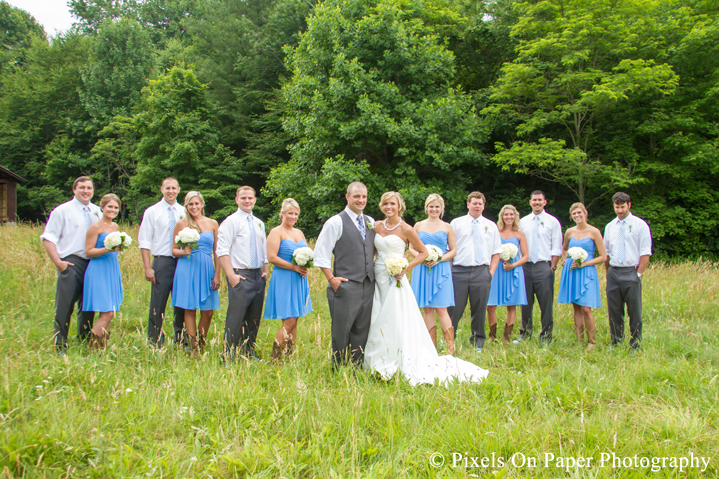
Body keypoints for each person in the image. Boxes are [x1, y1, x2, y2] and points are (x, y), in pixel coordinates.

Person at [364, 191, 489, 385]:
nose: (389, 207)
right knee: (377, 314)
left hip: (396, 278)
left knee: (396, 316)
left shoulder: (407, 228)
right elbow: (371, 251)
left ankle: (403, 355)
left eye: (393, 204)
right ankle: (376, 355)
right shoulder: (377, 226)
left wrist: (405, 268)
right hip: (378, 276)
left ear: (400, 207)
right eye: (386, 204)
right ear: (381, 205)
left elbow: (422, 252)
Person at [314, 182, 376, 367]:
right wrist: (332, 279)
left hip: (368, 283)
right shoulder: (335, 222)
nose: (361, 200)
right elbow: (321, 253)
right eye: (357, 196)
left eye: (364, 197)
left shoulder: (370, 221)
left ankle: (357, 366)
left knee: (362, 328)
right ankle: (339, 368)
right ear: (347, 197)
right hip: (345, 284)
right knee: (342, 329)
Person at [40, 176, 100, 352]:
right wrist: (58, 262)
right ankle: (60, 343)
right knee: (65, 304)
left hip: (93, 262)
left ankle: (84, 338)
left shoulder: (97, 211)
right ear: (74, 190)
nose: (86, 191)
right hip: (71, 261)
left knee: (88, 304)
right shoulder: (62, 211)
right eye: (82, 187)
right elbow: (48, 238)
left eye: (89, 188)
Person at [217, 186, 269, 361]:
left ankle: (248, 352)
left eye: (250, 198)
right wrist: (230, 275)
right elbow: (222, 250)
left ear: (254, 200)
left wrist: (265, 269)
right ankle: (228, 355)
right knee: (236, 316)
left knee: (254, 317)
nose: (247, 201)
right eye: (243, 198)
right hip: (240, 274)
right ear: (236, 200)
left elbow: (263, 248)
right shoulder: (231, 222)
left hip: (257, 275)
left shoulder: (259, 223)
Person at [448, 192, 501, 352]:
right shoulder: (456, 223)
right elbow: (450, 248)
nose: (477, 206)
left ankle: (478, 341)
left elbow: (496, 251)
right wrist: (451, 270)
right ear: (468, 204)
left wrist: (490, 272)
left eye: (480, 203)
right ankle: (450, 339)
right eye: (474, 203)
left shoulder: (491, 225)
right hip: (459, 271)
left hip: (482, 271)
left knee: (479, 308)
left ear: (484, 205)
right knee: (455, 308)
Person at [171, 191, 221, 359]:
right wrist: (183, 251)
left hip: (207, 268)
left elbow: (218, 252)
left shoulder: (213, 224)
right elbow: (173, 250)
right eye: (190, 204)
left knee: (208, 312)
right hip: (187, 268)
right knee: (190, 309)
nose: (194, 207)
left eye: (196, 204)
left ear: (202, 204)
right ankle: (194, 349)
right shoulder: (181, 224)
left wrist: (217, 274)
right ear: (186, 205)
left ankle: (201, 340)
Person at [138, 177, 185, 348]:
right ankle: (155, 339)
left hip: (182, 261)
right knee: (158, 303)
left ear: (178, 190)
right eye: (167, 188)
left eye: (174, 188)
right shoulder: (152, 211)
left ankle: (181, 338)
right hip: (162, 261)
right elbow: (144, 241)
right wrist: (147, 267)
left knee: (181, 302)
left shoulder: (184, 211)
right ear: (162, 190)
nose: (171, 191)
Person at [264, 198, 313, 362]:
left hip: (299, 279)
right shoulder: (276, 232)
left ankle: (289, 355)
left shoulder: (299, 233)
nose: (293, 216)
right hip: (284, 278)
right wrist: (294, 268)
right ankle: (275, 358)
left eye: (296, 214)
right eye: (290, 213)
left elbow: (305, 253)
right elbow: (271, 257)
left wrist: (305, 267)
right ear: (282, 213)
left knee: (295, 318)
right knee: (289, 320)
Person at [409, 194, 457, 354]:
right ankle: (432, 348)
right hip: (422, 269)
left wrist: (439, 258)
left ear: (441, 208)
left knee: (442, 309)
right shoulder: (418, 225)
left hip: (441, 269)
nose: (434, 209)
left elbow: (454, 250)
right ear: (426, 207)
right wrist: (421, 258)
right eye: (431, 206)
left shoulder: (447, 227)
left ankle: (451, 347)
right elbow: (411, 248)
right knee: (427, 309)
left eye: (437, 206)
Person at [603, 192, 652, 350]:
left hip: (631, 271)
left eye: (622, 207)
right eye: (617, 207)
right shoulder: (610, 226)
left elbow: (645, 252)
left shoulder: (640, 225)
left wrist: (638, 274)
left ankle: (636, 343)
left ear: (629, 205)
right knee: (614, 310)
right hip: (614, 271)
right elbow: (607, 253)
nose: (620, 210)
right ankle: (616, 342)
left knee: (634, 310)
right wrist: (608, 272)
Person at [515, 190, 563, 346]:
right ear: (530, 202)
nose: (537, 202)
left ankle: (546, 335)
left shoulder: (553, 222)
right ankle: (525, 333)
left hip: (544, 265)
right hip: (526, 266)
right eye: (534, 200)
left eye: (539, 200)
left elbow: (556, 247)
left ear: (545, 202)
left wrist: (553, 267)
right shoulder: (523, 222)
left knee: (546, 303)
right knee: (526, 302)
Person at [558, 202, 607, 351]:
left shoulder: (594, 232)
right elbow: (564, 248)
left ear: (585, 213)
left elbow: (603, 257)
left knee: (586, 308)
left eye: (579, 213)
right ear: (571, 216)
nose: (577, 216)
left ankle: (592, 342)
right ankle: (579, 340)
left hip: (586, 272)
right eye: (574, 214)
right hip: (572, 271)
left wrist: (584, 264)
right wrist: (564, 258)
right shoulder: (570, 232)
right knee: (576, 307)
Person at [82, 194, 124, 349]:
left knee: (110, 311)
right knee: (107, 313)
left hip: (112, 268)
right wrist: (107, 248)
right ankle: (93, 347)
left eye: (116, 207)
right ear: (102, 207)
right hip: (99, 269)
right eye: (110, 207)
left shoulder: (115, 227)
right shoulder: (95, 227)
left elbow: (115, 249)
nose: (113, 210)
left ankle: (102, 347)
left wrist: (119, 248)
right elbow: (88, 251)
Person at [487, 205, 528, 344]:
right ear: (502, 216)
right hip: (497, 269)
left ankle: (507, 337)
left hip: (513, 270)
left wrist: (513, 265)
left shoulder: (520, 234)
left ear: (516, 216)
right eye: (506, 215)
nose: (509, 217)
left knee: (512, 305)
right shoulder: (495, 232)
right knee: (490, 305)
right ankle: (492, 336)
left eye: (511, 214)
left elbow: (526, 256)